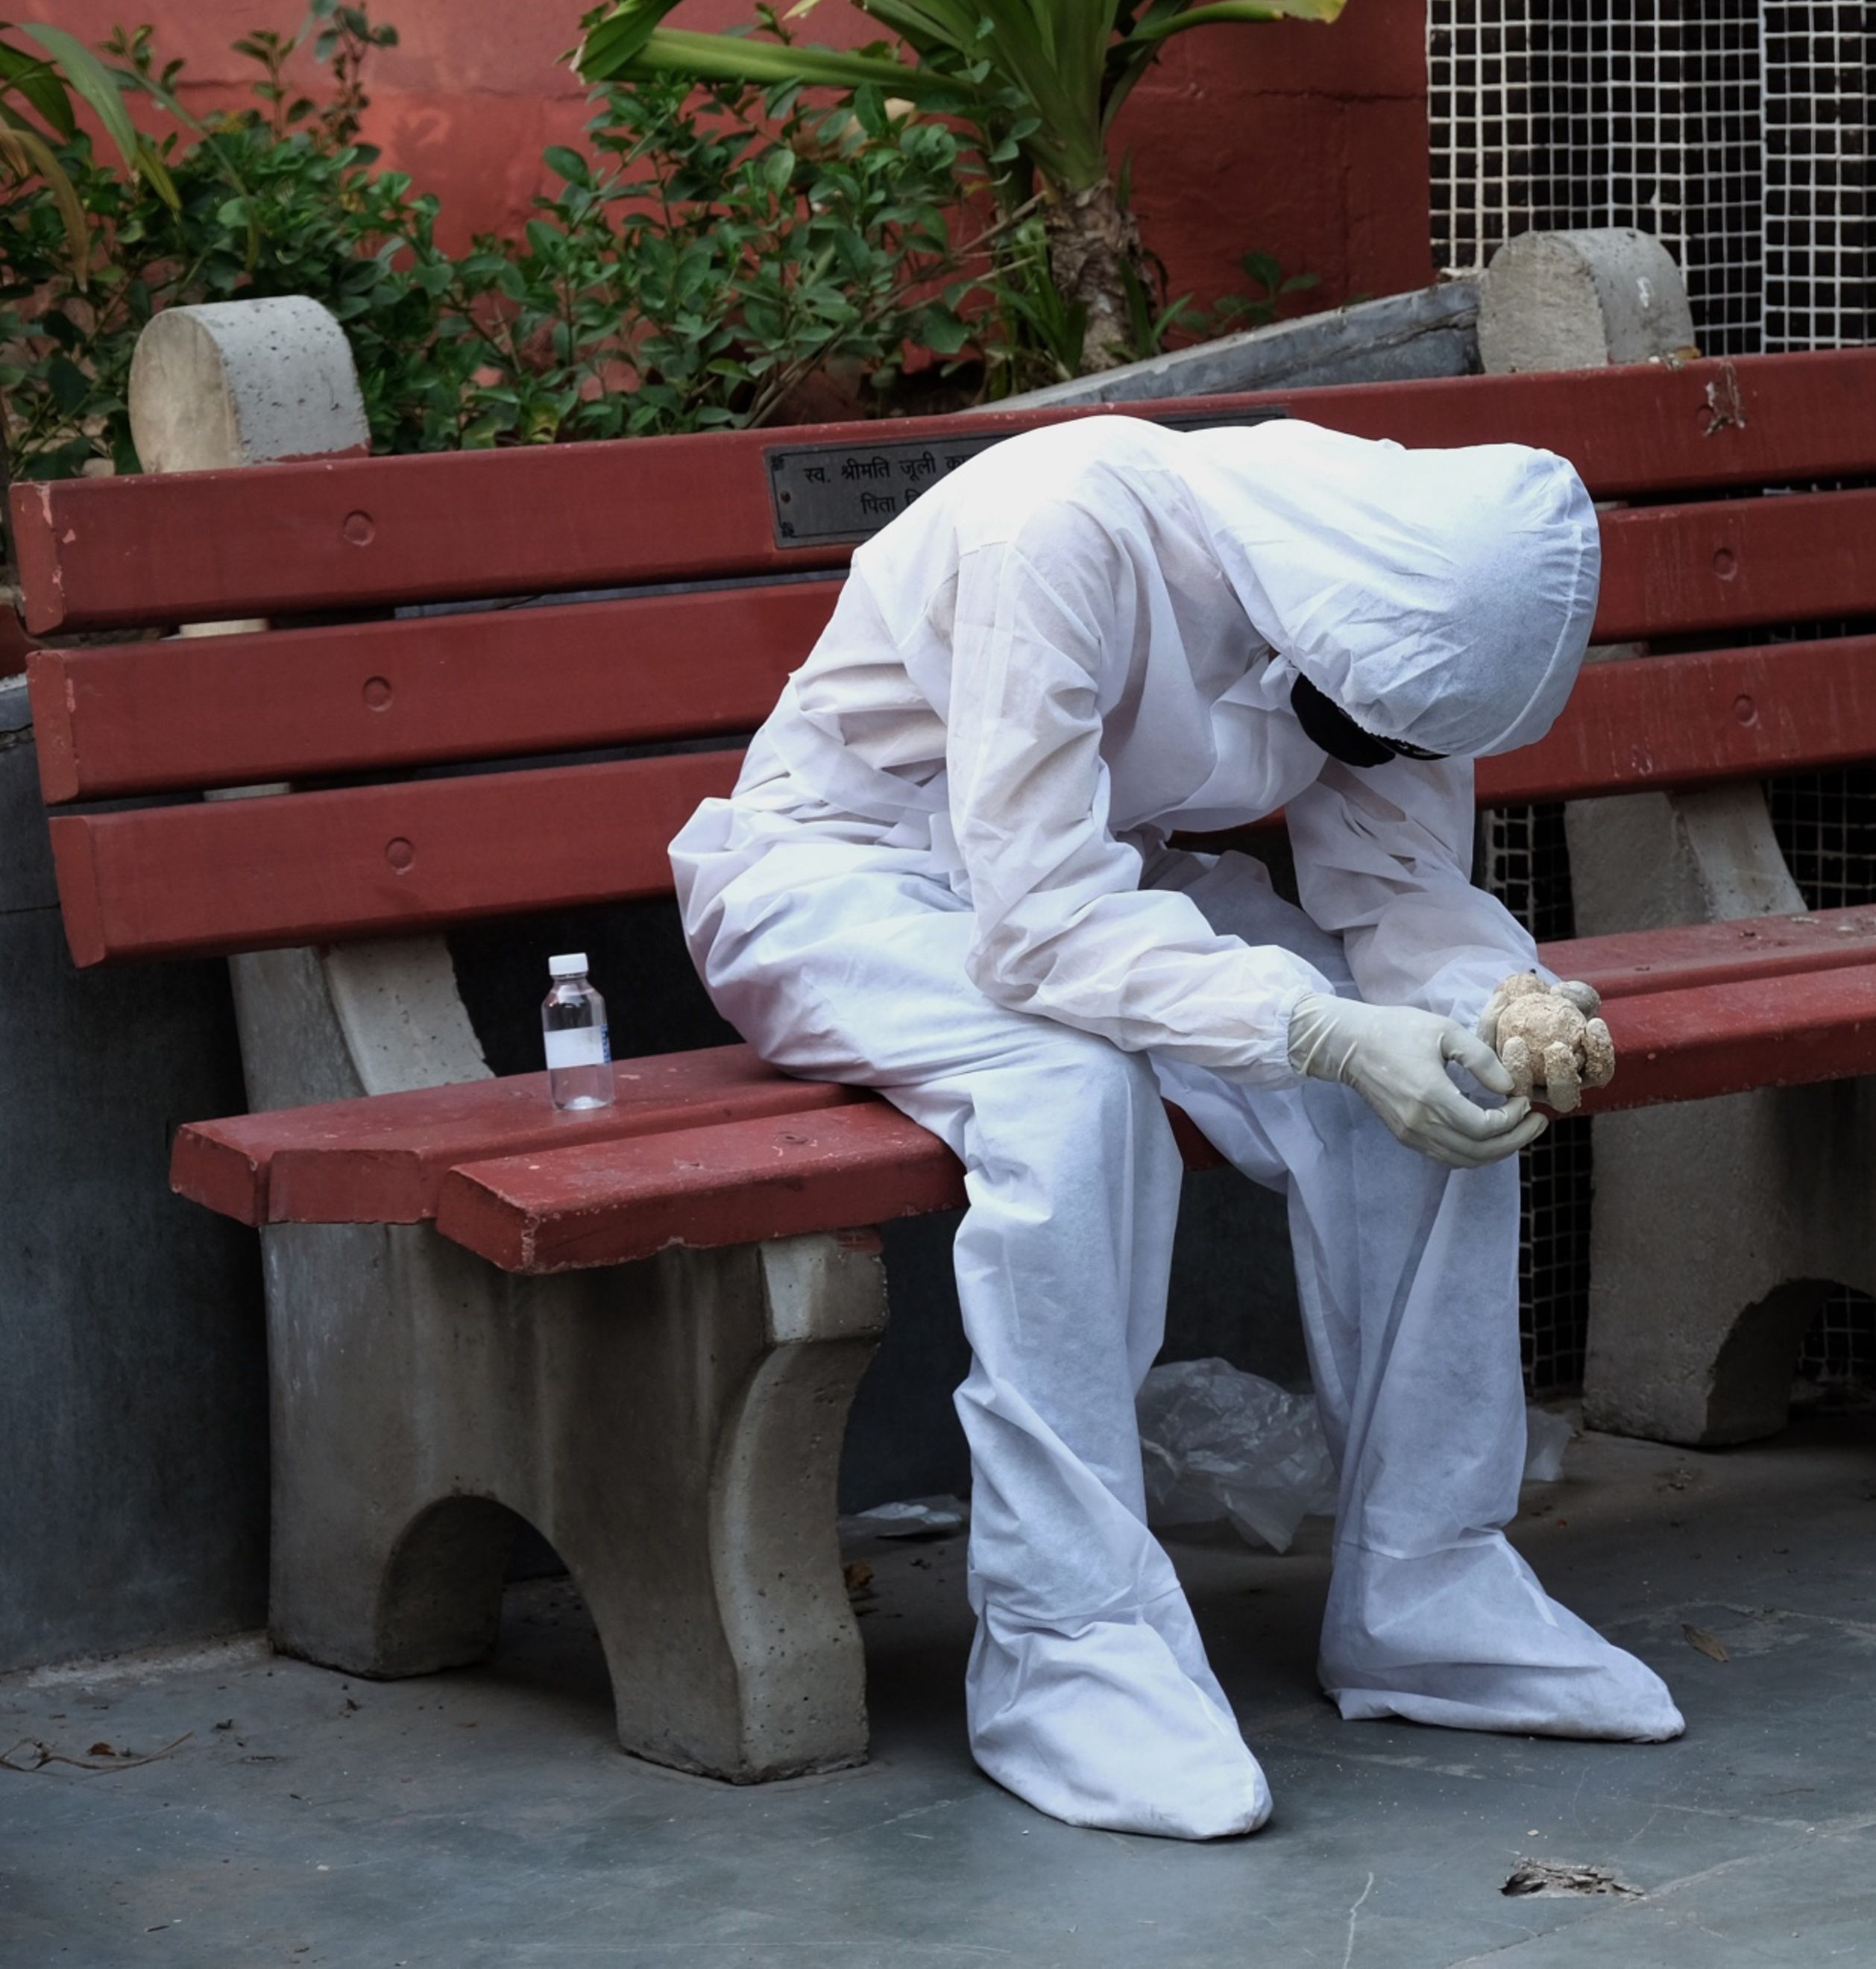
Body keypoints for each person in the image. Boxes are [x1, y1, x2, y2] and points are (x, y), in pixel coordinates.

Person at [670, 413, 1684, 1840]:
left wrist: (1490, 1000)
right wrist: (1317, 1031)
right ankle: (1066, 1640)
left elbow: (1397, 884)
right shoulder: (1055, 526)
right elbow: (1037, 927)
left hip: (1103, 886)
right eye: (1372, 722)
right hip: (844, 881)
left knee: (1447, 1084)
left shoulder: (1402, 602)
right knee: (1068, 1093)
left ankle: (1429, 1582)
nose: (1379, 750)